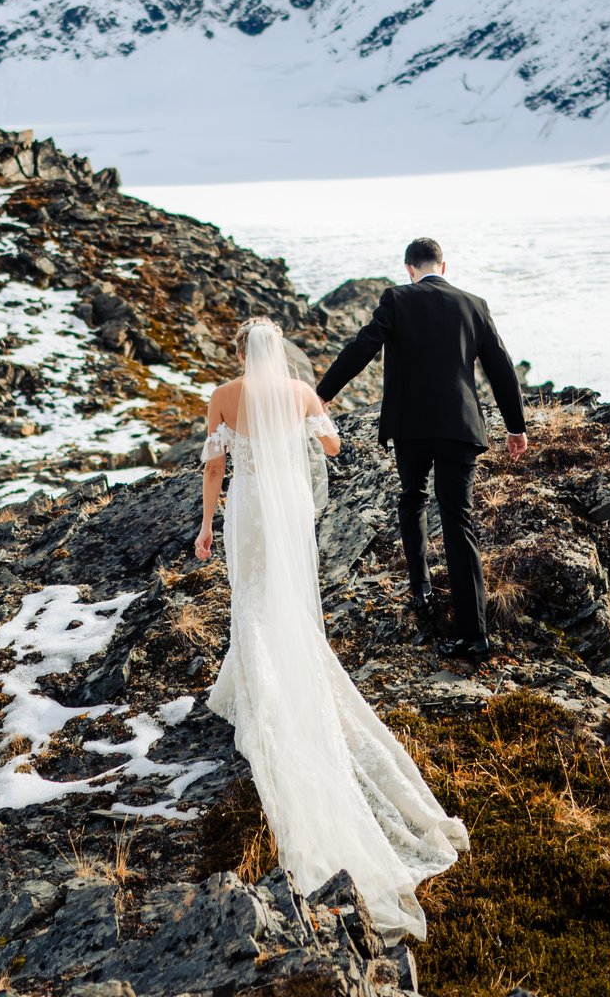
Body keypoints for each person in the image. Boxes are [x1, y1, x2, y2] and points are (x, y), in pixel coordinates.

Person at [193, 318, 468, 940]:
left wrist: (208, 524)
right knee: (287, 600)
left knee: (253, 598)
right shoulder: (298, 391)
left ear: (239, 351)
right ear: (279, 351)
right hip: (289, 506)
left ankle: (253, 686)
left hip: (250, 507)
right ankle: (275, 674)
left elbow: (214, 470)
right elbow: (336, 447)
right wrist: (295, 433)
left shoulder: (223, 396)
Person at [315, 237, 526, 659]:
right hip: (459, 426)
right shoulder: (474, 304)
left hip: (410, 425)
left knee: (412, 499)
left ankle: (422, 588)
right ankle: (475, 634)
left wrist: (323, 393)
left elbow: (363, 346)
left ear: (409, 267)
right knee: (458, 519)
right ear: (442, 266)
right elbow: (501, 367)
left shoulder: (397, 298)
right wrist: (515, 426)